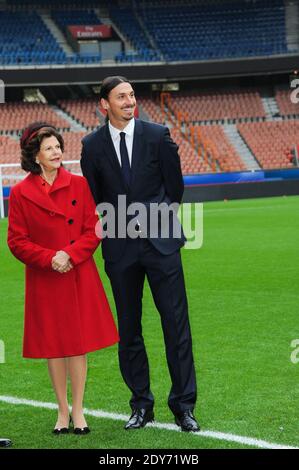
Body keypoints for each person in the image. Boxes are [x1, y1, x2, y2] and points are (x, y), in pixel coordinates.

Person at [81, 76, 199, 432]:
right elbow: (95, 197)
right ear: (105, 104)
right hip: (120, 248)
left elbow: (174, 187)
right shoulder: (92, 145)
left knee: (175, 327)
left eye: (132, 95)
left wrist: (156, 221)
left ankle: (183, 406)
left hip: (161, 243)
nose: (130, 101)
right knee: (129, 330)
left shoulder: (157, 134)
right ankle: (141, 405)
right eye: (121, 97)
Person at [7, 122, 119, 435]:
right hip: (46, 276)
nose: (57, 152)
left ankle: (79, 410)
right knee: (54, 346)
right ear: (36, 156)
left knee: (77, 345)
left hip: (77, 271)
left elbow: (93, 229)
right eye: (49, 148)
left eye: (58, 146)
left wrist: (68, 254)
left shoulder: (80, 185)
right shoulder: (19, 193)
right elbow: (16, 241)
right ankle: (61, 410)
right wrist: (50, 258)